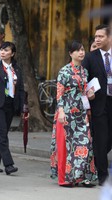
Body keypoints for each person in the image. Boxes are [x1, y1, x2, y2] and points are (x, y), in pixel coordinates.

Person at [50, 40, 97, 187]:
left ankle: (82, 177)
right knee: (68, 146)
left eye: (83, 50)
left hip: (81, 113)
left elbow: (84, 92)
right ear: (71, 53)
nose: (81, 52)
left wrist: (90, 94)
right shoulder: (64, 71)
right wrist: (61, 112)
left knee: (85, 143)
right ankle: (67, 177)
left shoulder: (84, 71)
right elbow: (59, 93)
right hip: (67, 112)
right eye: (78, 50)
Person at [0, 41, 25, 175]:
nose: (3, 52)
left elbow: (20, 89)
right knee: (3, 134)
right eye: (2, 50)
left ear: (12, 53)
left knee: (2, 134)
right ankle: (8, 164)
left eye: (6, 50)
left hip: (10, 104)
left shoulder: (17, 69)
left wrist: (22, 108)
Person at [82, 24, 112, 186]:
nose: (97, 39)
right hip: (99, 103)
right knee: (101, 138)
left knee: (108, 139)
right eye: (96, 37)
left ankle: (94, 157)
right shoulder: (90, 57)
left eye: (101, 36)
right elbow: (82, 79)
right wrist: (87, 92)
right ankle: (102, 175)